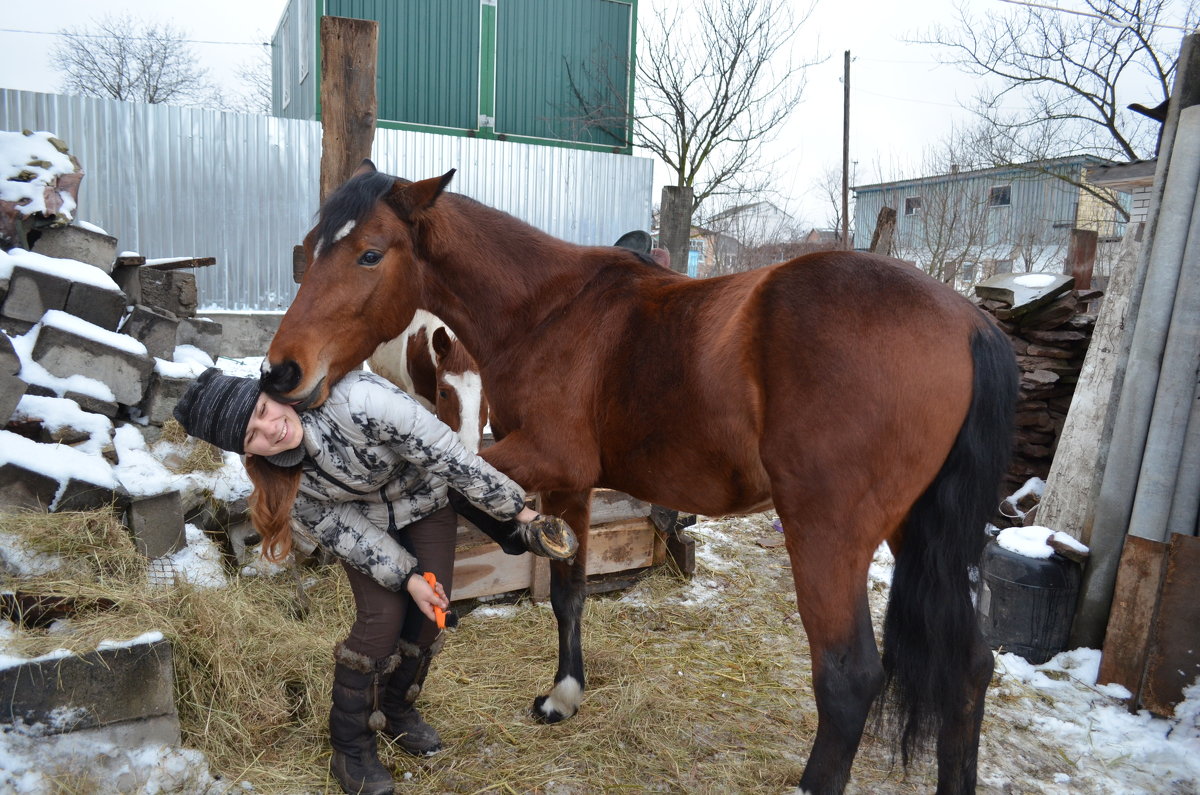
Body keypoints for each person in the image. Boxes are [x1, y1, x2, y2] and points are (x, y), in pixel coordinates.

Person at [172, 367, 578, 795]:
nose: (270, 430)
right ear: (246, 452)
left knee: (431, 616)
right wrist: (408, 579)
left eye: (261, 410)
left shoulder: (359, 400)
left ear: (273, 393)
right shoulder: (282, 480)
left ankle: (398, 709)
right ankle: (351, 746)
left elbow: (452, 459)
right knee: (381, 621)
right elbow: (345, 533)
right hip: (367, 526)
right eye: (252, 436)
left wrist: (523, 514)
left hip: (425, 501)